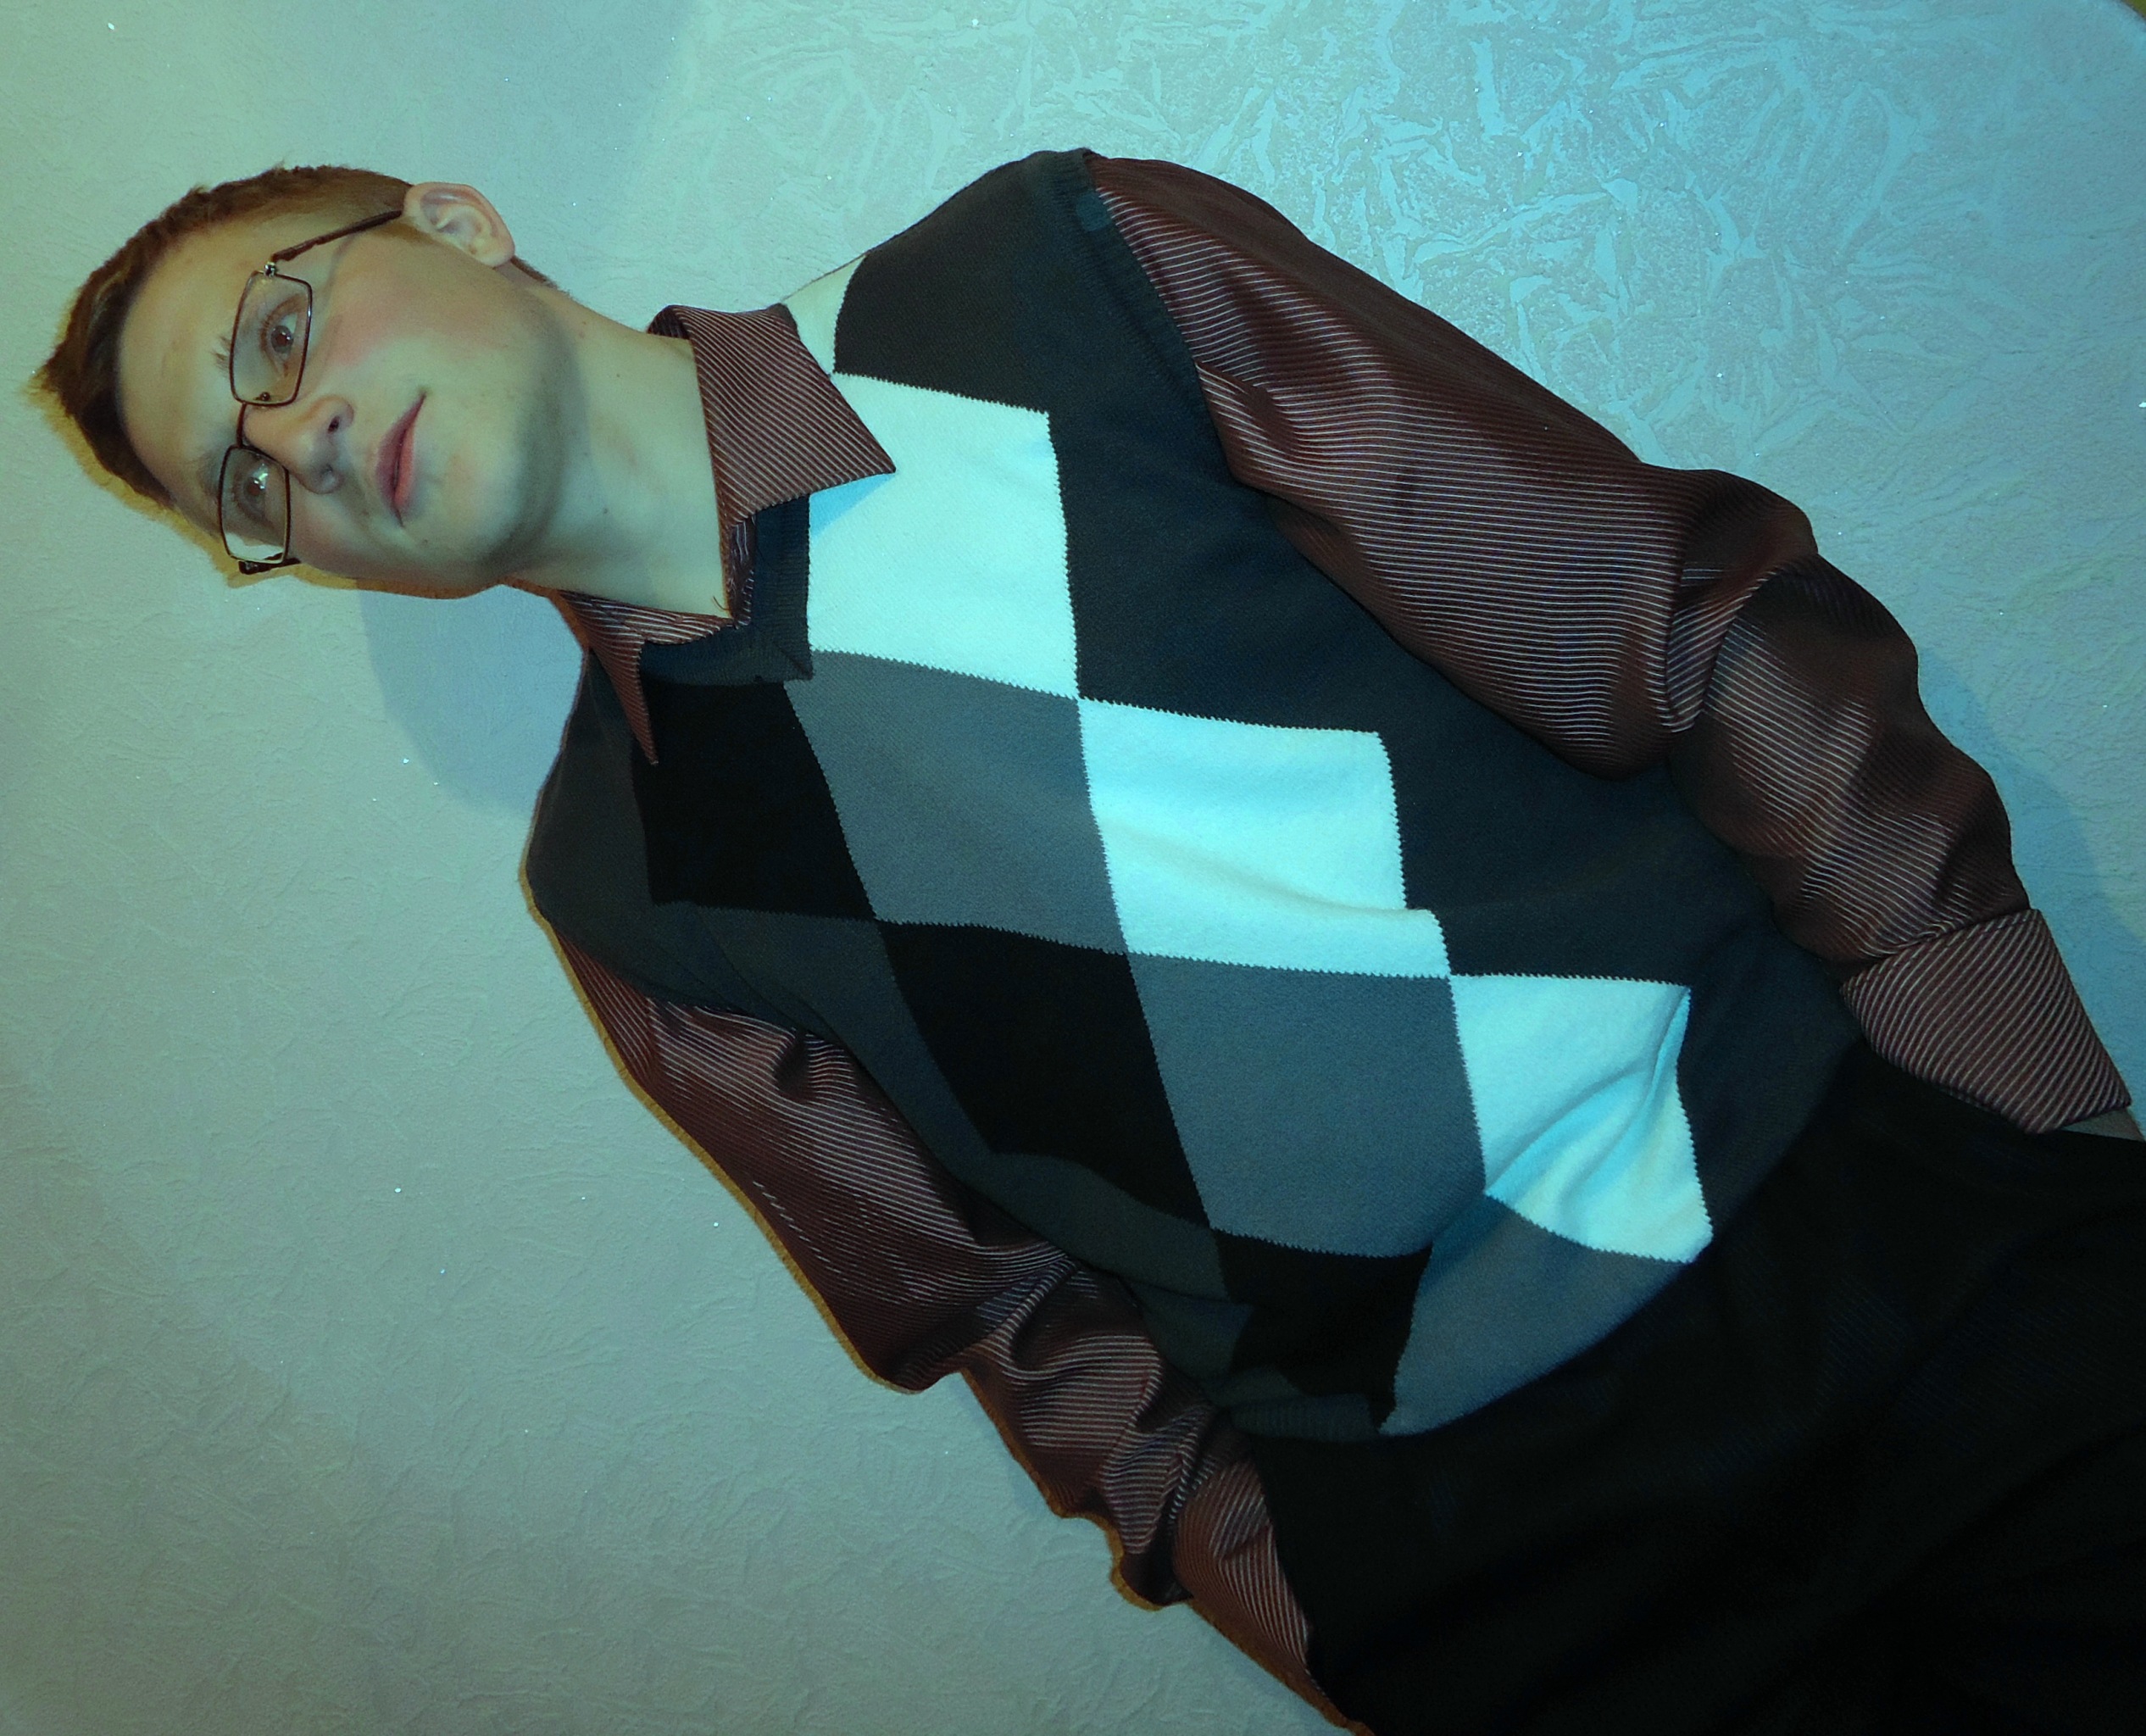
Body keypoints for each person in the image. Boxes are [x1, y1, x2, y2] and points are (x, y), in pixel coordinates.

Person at [39, 149, 2144, 1733]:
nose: (298, 446)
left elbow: (1674, 624)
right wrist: (1328, 1614)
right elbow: (1005, 1323)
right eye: (248, 491)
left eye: (278, 343)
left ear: (454, 221)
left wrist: (2024, 1120)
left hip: (1877, 1238)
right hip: (1501, 1576)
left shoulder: (1056, 279)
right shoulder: (620, 894)